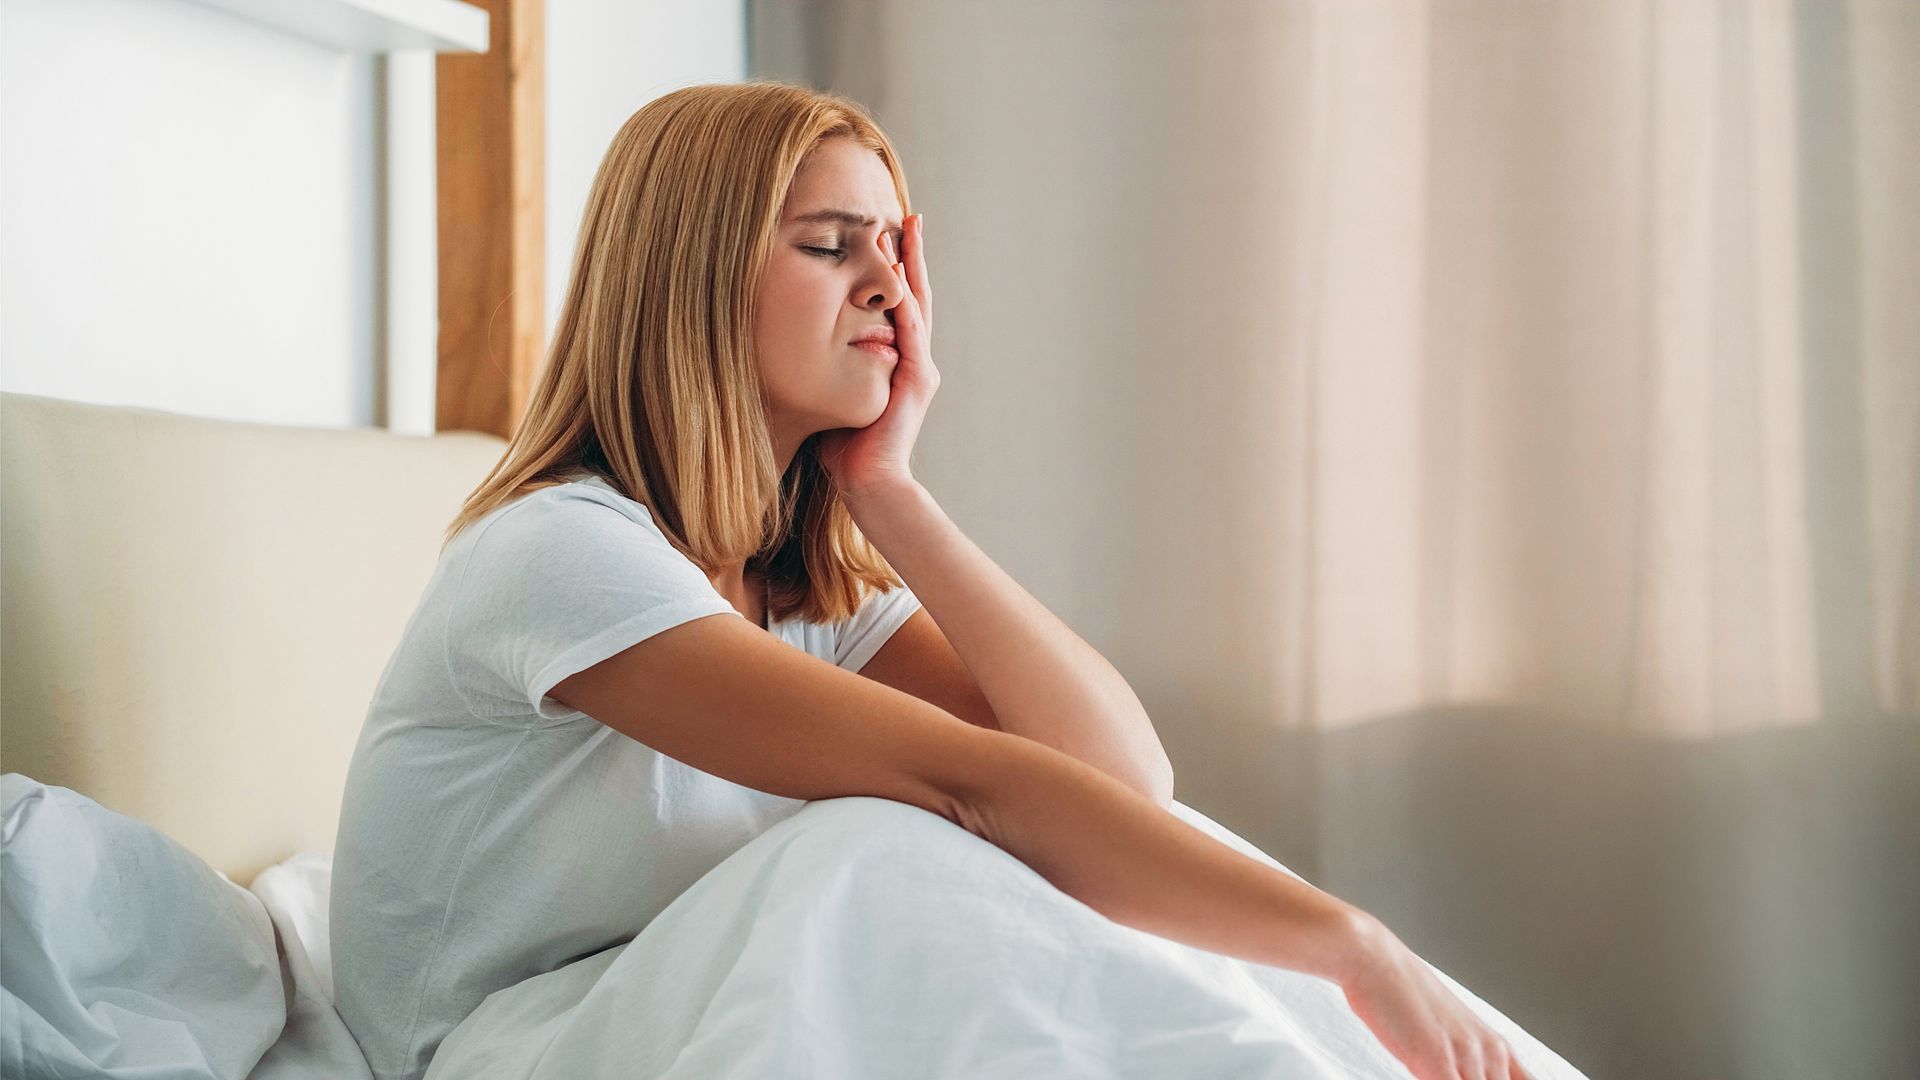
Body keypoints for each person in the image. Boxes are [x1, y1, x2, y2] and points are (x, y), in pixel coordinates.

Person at [329, 80, 1532, 1080]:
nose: (893, 292)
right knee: (877, 847)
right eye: (831, 245)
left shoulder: (795, 589)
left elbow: (1119, 781)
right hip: (502, 1049)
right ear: (693, 278)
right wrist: (1351, 942)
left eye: (897, 251)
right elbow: (972, 788)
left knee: (1069, 854)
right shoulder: (557, 555)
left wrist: (892, 491)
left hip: (677, 1009)